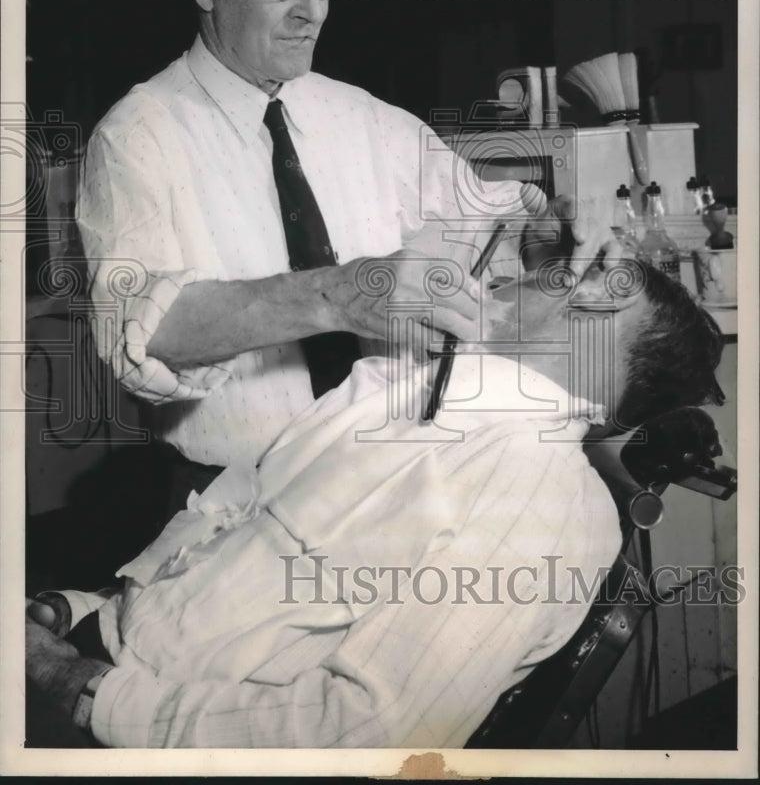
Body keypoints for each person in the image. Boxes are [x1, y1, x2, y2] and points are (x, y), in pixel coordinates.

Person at [26, 255, 724, 748]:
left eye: (593, 272)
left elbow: (364, 732)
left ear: (602, 310)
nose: (560, 267)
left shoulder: (536, 499)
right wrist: (82, 611)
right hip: (97, 652)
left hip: (128, 729)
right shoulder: (389, 389)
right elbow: (221, 545)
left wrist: (75, 685)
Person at [75, 0, 602, 501]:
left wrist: (547, 237)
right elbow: (141, 330)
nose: (313, 10)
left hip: (395, 488)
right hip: (238, 510)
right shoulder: (136, 137)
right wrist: (336, 294)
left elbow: (488, 225)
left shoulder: (365, 119)